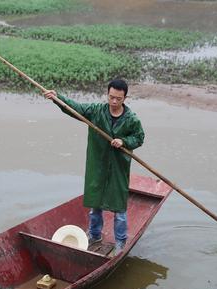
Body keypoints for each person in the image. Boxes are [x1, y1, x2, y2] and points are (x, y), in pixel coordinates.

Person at [44, 79, 144, 253]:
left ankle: (120, 243)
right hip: (97, 166)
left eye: (118, 99)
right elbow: (76, 109)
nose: (113, 102)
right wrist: (57, 98)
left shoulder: (131, 119)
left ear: (125, 98)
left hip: (118, 168)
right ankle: (94, 235)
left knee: (119, 210)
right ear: (107, 94)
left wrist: (124, 141)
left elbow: (139, 137)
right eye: (111, 97)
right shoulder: (97, 111)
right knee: (95, 205)